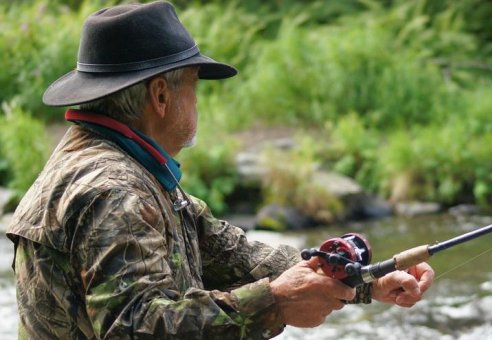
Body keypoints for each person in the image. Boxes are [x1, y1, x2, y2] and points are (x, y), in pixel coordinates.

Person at [5, 1, 434, 339]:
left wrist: (362, 281)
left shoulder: (123, 165)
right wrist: (274, 303)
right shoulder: (114, 189)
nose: (196, 101)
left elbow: (230, 254)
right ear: (160, 96)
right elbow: (135, 327)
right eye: (193, 84)